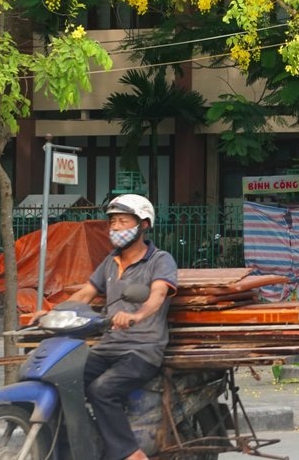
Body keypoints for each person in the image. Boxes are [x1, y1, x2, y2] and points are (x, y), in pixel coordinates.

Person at [66, 194, 178, 460]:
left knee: (101, 390)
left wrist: (137, 316)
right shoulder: (110, 262)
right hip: (108, 347)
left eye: (122, 221)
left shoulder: (159, 260)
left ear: (143, 224)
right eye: (112, 222)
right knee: (65, 380)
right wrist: (51, 313)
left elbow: (158, 295)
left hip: (142, 350)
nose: (115, 227)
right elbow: (85, 294)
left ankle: (132, 454)